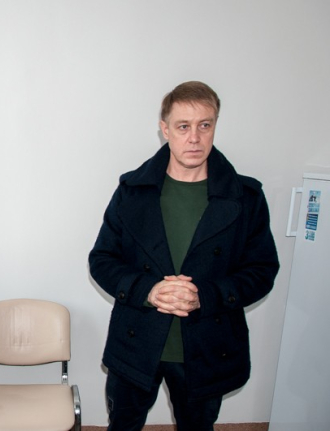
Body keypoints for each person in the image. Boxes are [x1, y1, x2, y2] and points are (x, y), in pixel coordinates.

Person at [88, 81, 279, 431]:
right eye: (183, 126)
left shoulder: (245, 197)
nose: (194, 138)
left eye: (204, 125)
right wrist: (148, 290)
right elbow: (102, 260)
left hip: (207, 347)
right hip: (136, 341)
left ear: (215, 125)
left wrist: (205, 296)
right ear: (165, 130)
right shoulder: (132, 192)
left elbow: (262, 270)